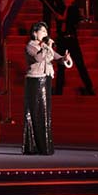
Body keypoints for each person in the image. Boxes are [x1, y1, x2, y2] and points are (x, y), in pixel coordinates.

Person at [23, 22, 71, 155]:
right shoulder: (30, 46)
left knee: (45, 112)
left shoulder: (45, 46)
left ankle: (45, 145)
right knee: (36, 112)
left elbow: (56, 57)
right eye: (42, 31)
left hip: (46, 79)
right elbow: (39, 58)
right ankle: (35, 146)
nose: (45, 33)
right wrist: (48, 46)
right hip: (35, 81)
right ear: (35, 33)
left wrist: (64, 58)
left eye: (46, 31)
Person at [54, 0, 95, 96]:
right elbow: (58, 22)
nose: (72, 0)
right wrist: (60, 18)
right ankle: (58, 90)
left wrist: (63, 18)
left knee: (80, 64)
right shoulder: (60, 9)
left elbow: (74, 20)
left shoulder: (74, 9)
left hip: (72, 40)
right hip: (62, 40)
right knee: (61, 66)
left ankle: (89, 87)